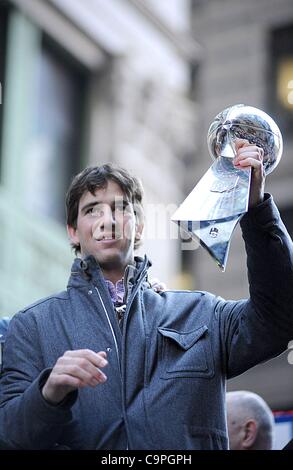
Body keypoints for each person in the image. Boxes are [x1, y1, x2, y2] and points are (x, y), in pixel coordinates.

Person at [0, 140, 293, 450]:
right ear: (73, 231)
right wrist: (48, 392)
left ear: (139, 226)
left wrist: (256, 210)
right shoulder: (31, 327)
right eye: (92, 210)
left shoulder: (203, 313)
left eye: (120, 209)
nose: (107, 221)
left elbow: (279, 317)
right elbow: (8, 437)